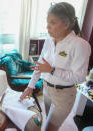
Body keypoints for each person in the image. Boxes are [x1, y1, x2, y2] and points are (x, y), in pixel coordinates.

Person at [20, 2, 91, 131]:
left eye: (53, 23)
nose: (47, 27)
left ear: (67, 23)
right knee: (47, 120)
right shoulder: (48, 41)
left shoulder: (80, 45)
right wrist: (30, 86)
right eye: (47, 22)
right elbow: (40, 66)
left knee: (49, 128)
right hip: (47, 90)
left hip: (64, 96)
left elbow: (80, 77)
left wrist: (52, 70)